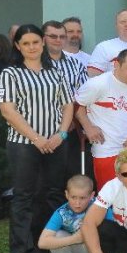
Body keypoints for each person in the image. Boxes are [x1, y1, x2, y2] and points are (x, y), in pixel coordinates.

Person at [0, 24, 75, 253]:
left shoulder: (55, 72)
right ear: (18, 46)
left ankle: (48, 245)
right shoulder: (11, 73)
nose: (32, 47)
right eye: (26, 43)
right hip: (23, 145)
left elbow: (67, 105)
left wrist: (61, 134)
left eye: (35, 42)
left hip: (55, 143)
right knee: (24, 198)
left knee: (52, 194)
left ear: (42, 43)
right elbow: (8, 110)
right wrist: (36, 138)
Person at [75, 48, 127, 189]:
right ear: (117, 65)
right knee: (109, 196)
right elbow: (76, 106)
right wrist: (88, 128)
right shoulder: (98, 84)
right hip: (106, 150)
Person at [43, 21, 90, 180]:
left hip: (69, 129)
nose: (58, 40)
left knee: (69, 176)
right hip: (38, 130)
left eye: (62, 36)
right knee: (40, 180)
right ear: (43, 38)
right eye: (53, 36)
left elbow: (84, 95)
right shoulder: (32, 64)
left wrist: (70, 122)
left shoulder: (76, 65)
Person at [37, 174, 96, 253]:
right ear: (66, 194)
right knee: (55, 235)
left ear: (91, 195)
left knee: (105, 228)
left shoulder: (98, 206)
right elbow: (42, 243)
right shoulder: (61, 213)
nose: (77, 203)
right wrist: (75, 239)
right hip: (73, 248)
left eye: (82, 198)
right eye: (73, 197)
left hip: (96, 249)